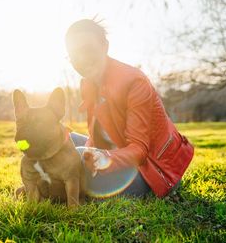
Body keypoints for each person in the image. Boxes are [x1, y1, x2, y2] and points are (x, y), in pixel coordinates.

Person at [66, 19, 194, 198]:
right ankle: (52, 183)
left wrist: (100, 158)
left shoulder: (134, 81)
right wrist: (91, 153)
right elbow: (95, 138)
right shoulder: (88, 83)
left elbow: (139, 151)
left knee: (77, 157)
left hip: (150, 170)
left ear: (104, 46)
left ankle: (53, 189)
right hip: (116, 154)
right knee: (62, 138)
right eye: (74, 54)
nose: (82, 59)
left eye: (88, 49)